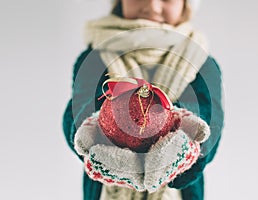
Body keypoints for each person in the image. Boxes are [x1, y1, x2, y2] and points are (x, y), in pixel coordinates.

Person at [62, 0, 224, 199]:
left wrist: (183, 147)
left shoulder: (201, 63)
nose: (152, 6)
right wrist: (92, 130)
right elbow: (79, 110)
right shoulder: (95, 58)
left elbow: (210, 122)